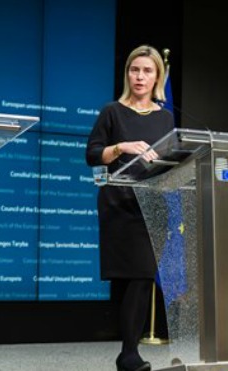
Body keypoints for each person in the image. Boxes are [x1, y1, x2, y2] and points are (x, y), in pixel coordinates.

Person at [86, 45, 174, 371]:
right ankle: (129, 352)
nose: (140, 76)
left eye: (147, 71)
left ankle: (128, 353)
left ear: (156, 77)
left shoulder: (165, 117)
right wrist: (121, 146)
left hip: (152, 204)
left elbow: (168, 159)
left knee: (142, 276)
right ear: (127, 74)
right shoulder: (112, 111)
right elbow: (92, 154)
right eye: (134, 70)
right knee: (129, 279)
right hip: (119, 204)